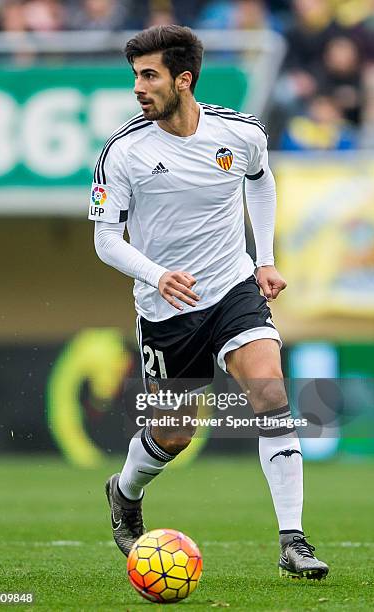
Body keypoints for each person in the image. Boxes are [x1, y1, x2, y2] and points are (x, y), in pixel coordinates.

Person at [89, 24, 329, 580]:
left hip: (232, 286)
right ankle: (124, 492)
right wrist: (158, 275)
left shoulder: (239, 133)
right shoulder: (123, 152)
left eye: (149, 76)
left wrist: (264, 257)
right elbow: (105, 240)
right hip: (167, 310)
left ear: (183, 79)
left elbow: (260, 180)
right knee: (175, 433)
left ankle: (293, 540)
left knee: (271, 394)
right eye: (135, 76)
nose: (138, 88)